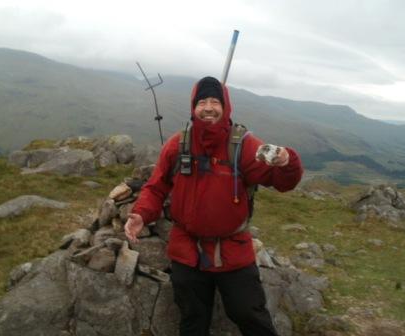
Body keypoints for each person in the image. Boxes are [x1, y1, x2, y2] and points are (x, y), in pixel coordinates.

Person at [125, 76, 303, 336]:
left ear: (225, 106)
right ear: (193, 107)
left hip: (233, 248)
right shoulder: (178, 144)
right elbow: (157, 186)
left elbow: (282, 182)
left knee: (250, 315)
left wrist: (288, 162)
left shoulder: (243, 145)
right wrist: (141, 214)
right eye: (202, 102)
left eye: (215, 101)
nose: (208, 107)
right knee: (192, 320)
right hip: (187, 250)